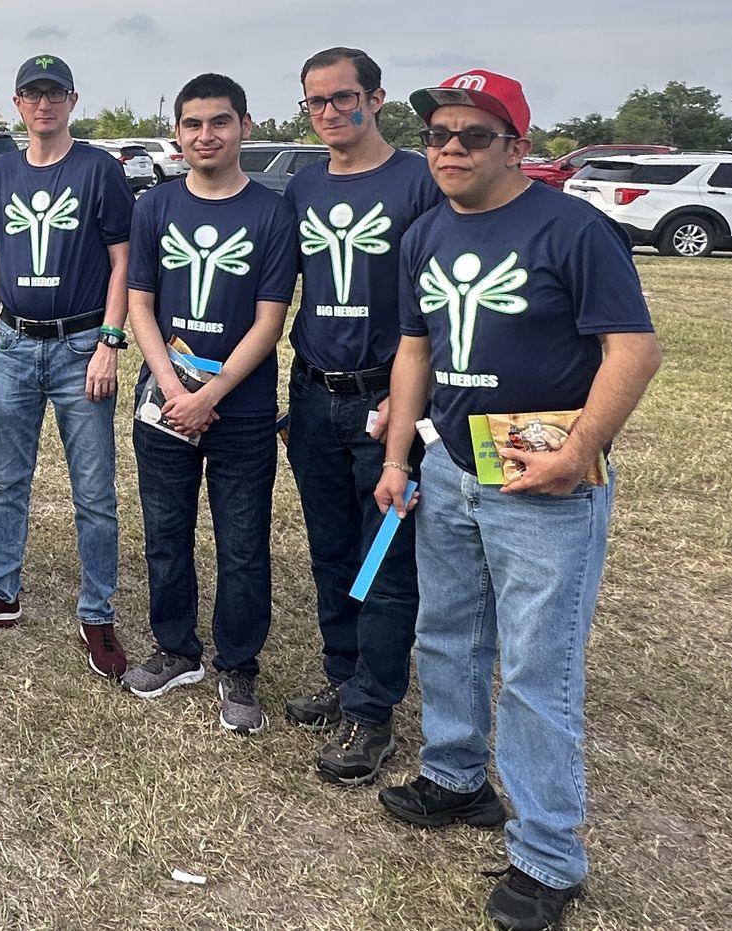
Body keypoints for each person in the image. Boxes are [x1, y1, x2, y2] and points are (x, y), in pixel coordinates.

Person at [374, 69, 660, 931]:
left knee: (537, 667)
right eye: (438, 136)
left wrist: (578, 452)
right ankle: (457, 777)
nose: (451, 149)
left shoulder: (573, 228)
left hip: (542, 477)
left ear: (517, 147)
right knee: (448, 631)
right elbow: (414, 354)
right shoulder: (423, 233)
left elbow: (633, 351)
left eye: (473, 135)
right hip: (456, 468)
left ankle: (547, 854)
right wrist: (399, 460)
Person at [0, 55, 135, 683]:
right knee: (7, 479)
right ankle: (1, 592)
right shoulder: (2, 174)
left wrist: (109, 342)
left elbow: (123, 263)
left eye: (53, 94)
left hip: (79, 346)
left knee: (94, 491)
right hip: (15, 344)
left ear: (72, 99)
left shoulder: (99, 170)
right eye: (31, 94)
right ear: (17, 103)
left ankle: (97, 609)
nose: (42, 104)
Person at [281, 48, 444, 781]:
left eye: (342, 98)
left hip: (387, 400)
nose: (328, 114)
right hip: (315, 391)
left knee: (385, 559)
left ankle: (373, 711)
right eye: (315, 102)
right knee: (331, 548)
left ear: (376, 99)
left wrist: (408, 409)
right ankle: (343, 674)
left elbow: (438, 309)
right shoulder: (303, 185)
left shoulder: (418, 180)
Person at [119, 73, 298, 735]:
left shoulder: (272, 213)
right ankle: (176, 649)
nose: (205, 135)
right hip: (165, 401)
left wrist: (212, 393)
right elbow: (140, 302)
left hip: (241, 410)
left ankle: (239, 663)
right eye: (192, 124)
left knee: (243, 542)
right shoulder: (156, 207)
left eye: (219, 122)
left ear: (245, 126)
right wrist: (172, 388)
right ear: (178, 133)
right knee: (166, 532)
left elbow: (269, 321)